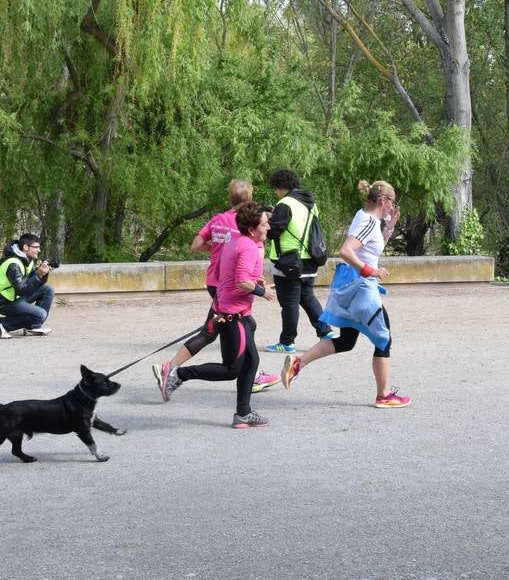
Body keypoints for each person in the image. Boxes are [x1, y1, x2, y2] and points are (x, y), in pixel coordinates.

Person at [279, 179, 410, 409]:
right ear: (383, 200)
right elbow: (346, 251)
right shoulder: (369, 222)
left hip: (351, 287)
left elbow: (371, 247)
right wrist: (371, 271)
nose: (392, 207)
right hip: (362, 288)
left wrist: (389, 228)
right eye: (392, 202)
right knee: (383, 337)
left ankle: (298, 363)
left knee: (347, 341)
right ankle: (384, 395)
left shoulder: (365, 217)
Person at [153, 181, 278, 396]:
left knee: (226, 328)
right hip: (231, 286)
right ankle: (172, 369)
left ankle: (250, 370)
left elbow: (196, 246)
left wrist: (217, 248)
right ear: (249, 200)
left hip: (214, 281)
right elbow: (248, 268)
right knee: (218, 330)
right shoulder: (247, 225)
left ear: (230, 199)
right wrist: (260, 286)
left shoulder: (219, 219)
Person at [263, 168, 333, 353]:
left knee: (289, 303)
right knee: (307, 297)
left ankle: (287, 342)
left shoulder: (285, 203)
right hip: (310, 259)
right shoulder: (310, 203)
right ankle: (326, 331)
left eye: (276, 189)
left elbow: (273, 232)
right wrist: (275, 214)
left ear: (280, 187)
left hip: (290, 261)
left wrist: (268, 220)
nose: (275, 193)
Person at [0, 233, 55, 339]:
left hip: (16, 297)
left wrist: (43, 274)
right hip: (5, 302)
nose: (39, 250)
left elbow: (31, 283)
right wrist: (38, 275)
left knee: (47, 290)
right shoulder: (13, 264)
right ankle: (4, 323)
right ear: (26, 247)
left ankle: (32, 327)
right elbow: (21, 289)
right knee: (41, 314)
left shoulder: (27, 261)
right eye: (36, 247)